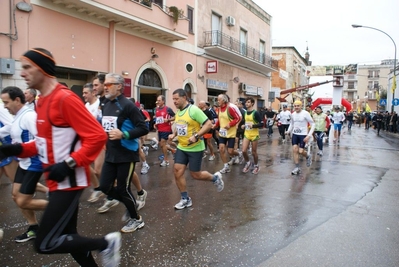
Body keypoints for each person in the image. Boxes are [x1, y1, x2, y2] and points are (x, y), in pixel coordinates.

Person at [0, 48, 121, 266]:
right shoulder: (42, 101)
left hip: (69, 182)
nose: (23, 72)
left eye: (27, 67)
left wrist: (68, 165)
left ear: (43, 69)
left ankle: (106, 243)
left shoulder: (65, 98)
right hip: (57, 181)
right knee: (70, 237)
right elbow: (43, 143)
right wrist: (15, 149)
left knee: (45, 243)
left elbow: (96, 136)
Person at [98, 73, 148, 233]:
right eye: (104, 84)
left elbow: (144, 127)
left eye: (109, 84)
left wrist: (123, 134)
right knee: (105, 187)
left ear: (119, 86)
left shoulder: (128, 105)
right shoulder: (106, 103)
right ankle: (131, 204)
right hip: (111, 152)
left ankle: (136, 219)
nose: (105, 87)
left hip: (127, 153)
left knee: (122, 189)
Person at [1, 86, 49, 243]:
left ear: (16, 100)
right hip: (23, 162)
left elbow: (42, 139)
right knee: (16, 196)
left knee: (23, 200)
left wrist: (19, 148)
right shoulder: (17, 115)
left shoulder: (29, 116)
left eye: (6, 102)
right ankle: (33, 227)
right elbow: (8, 130)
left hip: (34, 163)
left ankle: (60, 208)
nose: (5, 106)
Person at [168, 89, 224, 210]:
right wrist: (174, 134)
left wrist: (196, 136)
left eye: (176, 99)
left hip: (195, 148)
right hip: (182, 147)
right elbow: (180, 125)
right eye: (173, 99)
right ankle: (185, 199)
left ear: (185, 97)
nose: (174, 101)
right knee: (177, 171)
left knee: (196, 175)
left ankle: (215, 178)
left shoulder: (193, 110)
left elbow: (208, 124)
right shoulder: (179, 112)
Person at [82, 82, 104, 203]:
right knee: (83, 164)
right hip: (88, 140)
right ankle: (97, 188)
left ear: (93, 92)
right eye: (83, 93)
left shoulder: (100, 104)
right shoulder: (86, 106)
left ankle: (114, 189)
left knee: (98, 171)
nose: (84, 95)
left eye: (86, 93)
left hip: (100, 141)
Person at [213, 94, 242, 173]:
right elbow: (220, 119)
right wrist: (215, 126)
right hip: (222, 133)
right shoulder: (219, 109)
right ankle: (226, 166)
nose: (217, 101)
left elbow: (238, 118)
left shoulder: (230, 108)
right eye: (217, 100)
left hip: (231, 133)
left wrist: (230, 124)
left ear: (223, 100)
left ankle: (238, 154)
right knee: (221, 149)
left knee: (230, 151)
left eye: (219, 100)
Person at [285, 100, 315, 175]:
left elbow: (313, 124)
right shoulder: (293, 114)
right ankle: (297, 167)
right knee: (295, 150)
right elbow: (292, 124)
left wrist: (309, 135)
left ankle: (308, 156)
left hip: (303, 134)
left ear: (301, 106)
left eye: (298, 106)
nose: (296, 107)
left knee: (301, 151)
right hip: (295, 134)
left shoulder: (305, 113)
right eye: (295, 106)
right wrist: (288, 131)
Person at [241, 97, 263, 174]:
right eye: (246, 102)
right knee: (243, 151)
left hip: (254, 134)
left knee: (254, 152)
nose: (247, 104)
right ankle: (248, 163)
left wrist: (253, 126)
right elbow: (245, 121)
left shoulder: (256, 113)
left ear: (252, 103)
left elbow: (261, 124)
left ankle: (256, 165)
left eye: (248, 102)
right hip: (247, 133)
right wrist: (243, 125)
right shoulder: (245, 112)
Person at [154, 95, 175, 166]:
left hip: (166, 129)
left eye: (159, 100)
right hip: (160, 129)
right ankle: (173, 150)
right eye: (157, 100)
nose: (158, 102)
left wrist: (168, 120)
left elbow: (175, 116)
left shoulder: (168, 109)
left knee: (163, 143)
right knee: (162, 145)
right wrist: (155, 124)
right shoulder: (156, 109)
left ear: (163, 101)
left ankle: (166, 160)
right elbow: (158, 119)